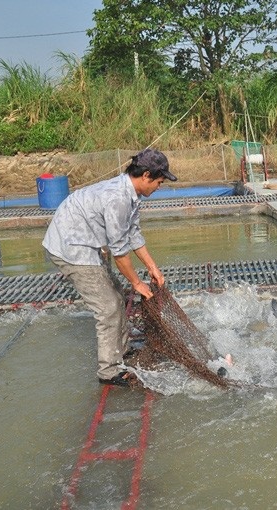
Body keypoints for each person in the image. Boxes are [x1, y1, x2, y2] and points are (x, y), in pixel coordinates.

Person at [43, 148, 177, 386]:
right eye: (158, 181)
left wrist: (152, 267)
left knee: (116, 295)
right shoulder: (117, 198)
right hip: (72, 247)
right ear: (146, 175)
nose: (158, 187)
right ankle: (109, 371)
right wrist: (137, 282)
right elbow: (119, 250)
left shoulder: (131, 195)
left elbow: (133, 233)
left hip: (87, 242)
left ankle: (122, 351)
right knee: (109, 307)